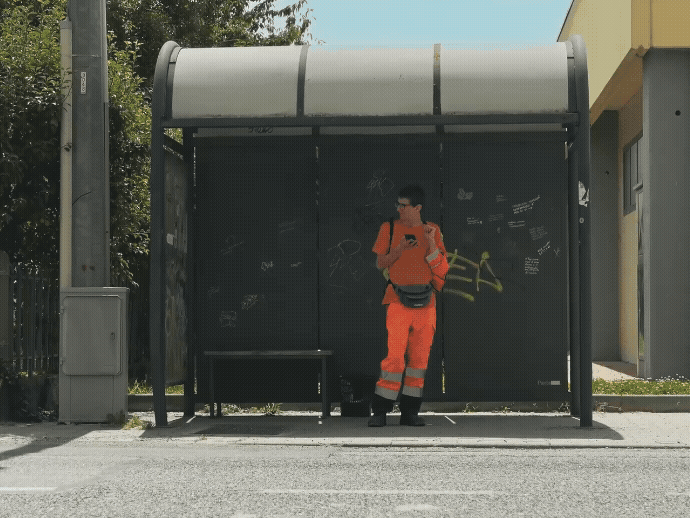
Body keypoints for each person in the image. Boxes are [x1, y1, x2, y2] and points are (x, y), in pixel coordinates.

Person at [369, 184, 449, 426]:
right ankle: (380, 411)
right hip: (397, 301)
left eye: (403, 205)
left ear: (417, 208)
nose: (399, 209)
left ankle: (410, 412)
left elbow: (442, 269)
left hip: (426, 303)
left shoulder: (432, 230)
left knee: (419, 361)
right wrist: (400, 249)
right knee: (394, 358)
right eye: (398, 205)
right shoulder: (389, 228)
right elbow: (380, 263)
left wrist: (431, 243)